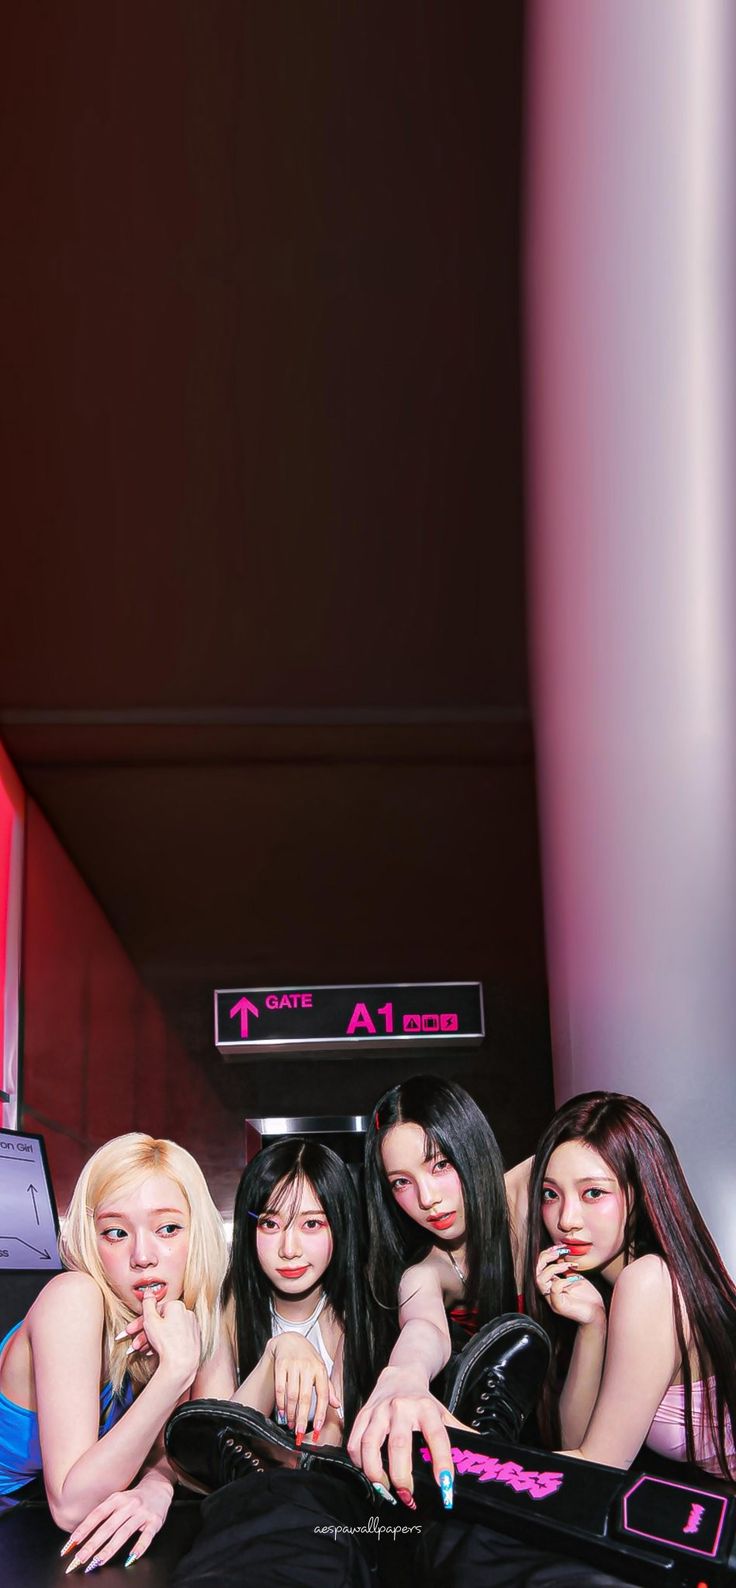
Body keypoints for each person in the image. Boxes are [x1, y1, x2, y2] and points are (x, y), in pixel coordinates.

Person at [0, 1132, 227, 1572]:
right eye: (116, 1232)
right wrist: (175, 1372)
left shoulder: (189, 1313)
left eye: (168, 1228)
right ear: (92, 1239)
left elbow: (207, 1449)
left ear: (196, 1234)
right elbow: (71, 1507)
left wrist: (157, 1486)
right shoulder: (75, 1298)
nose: (143, 1256)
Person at [348, 1075, 548, 1507]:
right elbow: (423, 1326)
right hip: (495, 1444)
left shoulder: (540, 1191)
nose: (427, 1198)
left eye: (440, 1165)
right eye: (401, 1182)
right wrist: (403, 1376)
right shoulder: (426, 1271)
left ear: (469, 1145)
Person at [526, 1090, 736, 1481]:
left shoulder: (650, 1282)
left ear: (639, 1193)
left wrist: (469, 1448)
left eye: (593, 1193)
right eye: (551, 1194)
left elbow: (594, 1473)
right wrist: (593, 1325)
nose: (566, 1219)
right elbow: (574, 1444)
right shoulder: (614, 1286)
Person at [192, 1137, 376, 1442]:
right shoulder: (224, 1304)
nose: (289, 1249)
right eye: (270, 1224)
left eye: (312, 1225)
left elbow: (322, 1453)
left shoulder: (355, 1313)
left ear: (340, 1224)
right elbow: (214, 1446)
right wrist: (275, 1355)